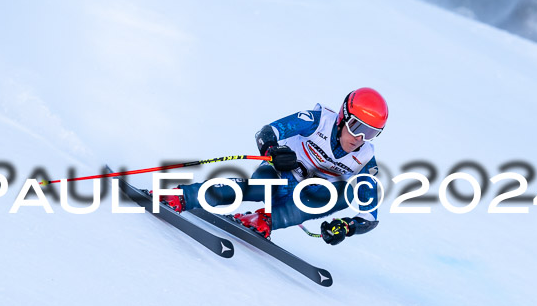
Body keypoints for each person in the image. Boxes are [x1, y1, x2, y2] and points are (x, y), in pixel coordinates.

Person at [157, 87, 388, 246]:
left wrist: (347, 227)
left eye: (370, 133)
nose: (360, 137)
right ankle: (181, 196)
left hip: (306, 197)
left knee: (345, 193)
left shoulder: (365, 158)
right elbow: (267, 132)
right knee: (258, 188)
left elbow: (369, 217)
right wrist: (273, 151)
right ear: (342, 117)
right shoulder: (317, 121)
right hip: (281, 173)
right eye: (357, 126)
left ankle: (265, 220)